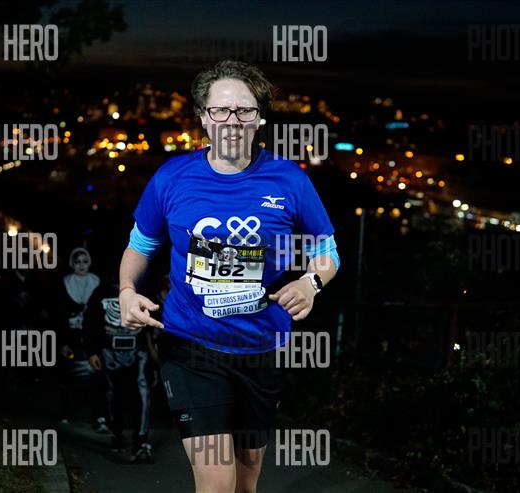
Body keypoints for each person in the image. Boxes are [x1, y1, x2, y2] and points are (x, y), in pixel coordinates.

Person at [118, 60, 340, 492]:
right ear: (203, 117)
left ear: (260, 118)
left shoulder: (289, 180)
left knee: (245, 481)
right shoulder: (172, 177)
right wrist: (127, 290)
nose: (232, 120)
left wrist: (310, 283)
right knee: (218, 483)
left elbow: (326, 252)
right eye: (220, 110)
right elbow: (140, 246)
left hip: (260, 348)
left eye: (244, 110)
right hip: (191, 345)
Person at [84, 275, 158, 462]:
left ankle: (141, 441)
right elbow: (90, 320)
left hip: (138, 350)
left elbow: (155, 319)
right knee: (112, 393)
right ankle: (117, 433)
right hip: (109, 351)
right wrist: (91, 351)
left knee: (142, 392)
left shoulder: (144, 289)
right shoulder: (102, 291)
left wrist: (154, 349)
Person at [55, 247, 108, 433]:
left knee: (97, 376)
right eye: (77, 262)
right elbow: (59, 315)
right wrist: (62, 343)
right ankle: (66, 412)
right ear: (72, 263)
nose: (81, 265)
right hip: (71, 337)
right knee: (67, 375)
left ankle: (99, 417)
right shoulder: (65, 282)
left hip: (92, 337)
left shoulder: (96, 282)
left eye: (84, 261)